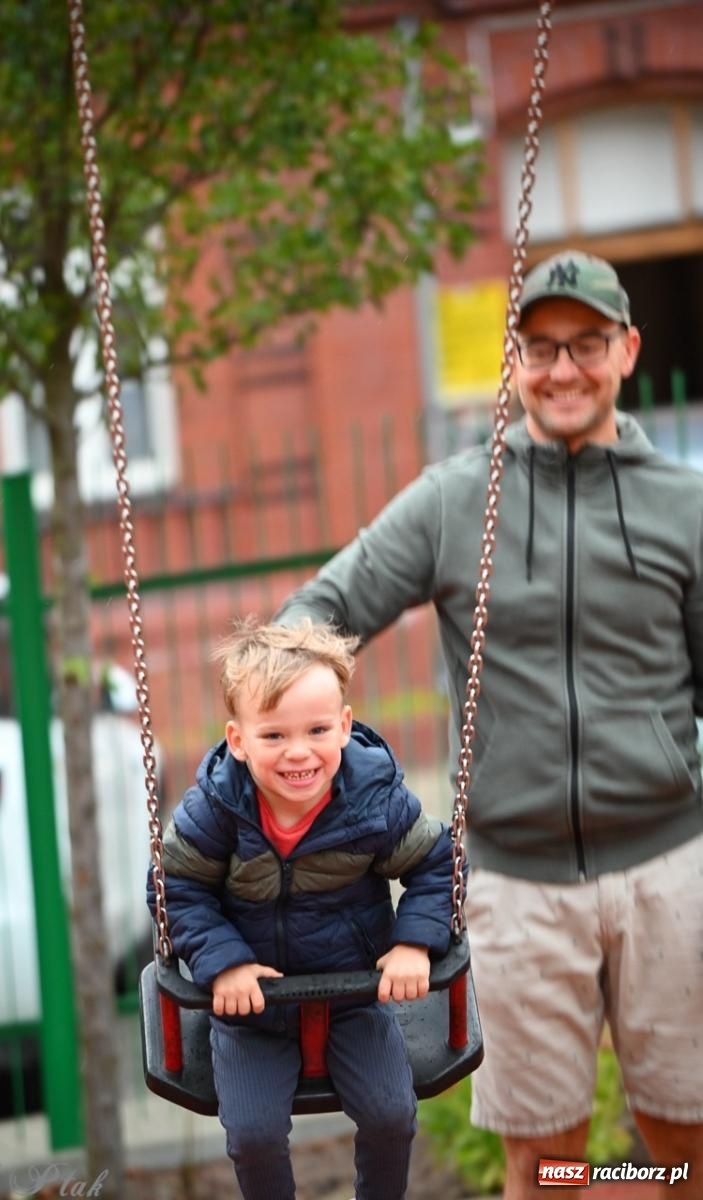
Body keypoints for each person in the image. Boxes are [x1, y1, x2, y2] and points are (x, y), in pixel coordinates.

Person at [275, 250, 703, 1199]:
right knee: (545, 1171)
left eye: (584, 344)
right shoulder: (453, 500)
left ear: (625, 350)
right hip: (516, 886)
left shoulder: (684, 507)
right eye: (540, 347)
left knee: (684, 1154)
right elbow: (321, 610)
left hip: (669, 873)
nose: (562, 369)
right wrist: (286, 721)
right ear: (514, 361)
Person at [147, 618, 456, 1200]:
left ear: (344, 727)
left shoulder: (373, 798)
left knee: (393, 1114)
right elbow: (175, 888)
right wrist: (226, 964)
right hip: (252, 1010)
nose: (298, 753)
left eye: (316, 729)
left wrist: (414, 944)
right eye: (273, 736)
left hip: (356, 996)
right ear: (238, 741)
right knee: (253, 1135)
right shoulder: (217, 808)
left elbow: (436, 864)